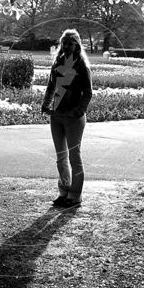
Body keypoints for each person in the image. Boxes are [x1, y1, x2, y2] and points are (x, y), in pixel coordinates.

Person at [41, 29, 93, 208]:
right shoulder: (57, 62)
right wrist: (46, 105)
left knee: (74, 157)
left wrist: (79, 111)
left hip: (74, 118)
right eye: (64, 43)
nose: (67, 46)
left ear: (77, 45)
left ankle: (75, 194)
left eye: (70, 43)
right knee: (60, 157)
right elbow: (50, 87)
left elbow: (88, 92)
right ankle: (64, 191)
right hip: (57, 115)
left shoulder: (81, 65)